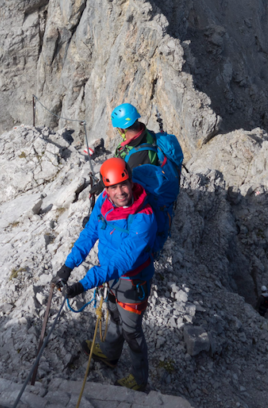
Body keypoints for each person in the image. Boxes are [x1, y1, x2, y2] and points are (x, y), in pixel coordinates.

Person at [52, 157, 157, 392]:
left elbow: (123, 261)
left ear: (130, 181)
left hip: (133, 281)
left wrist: (81, 285)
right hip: (109, 276)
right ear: (106, 189)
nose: (120, 192)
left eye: (123, 185)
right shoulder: (104, 202)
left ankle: (140, 380)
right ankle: (109, 354)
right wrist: (67, 267)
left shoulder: (144, 218)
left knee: (132, 331)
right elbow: (90, 233)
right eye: (113, 188)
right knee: (113, 313)